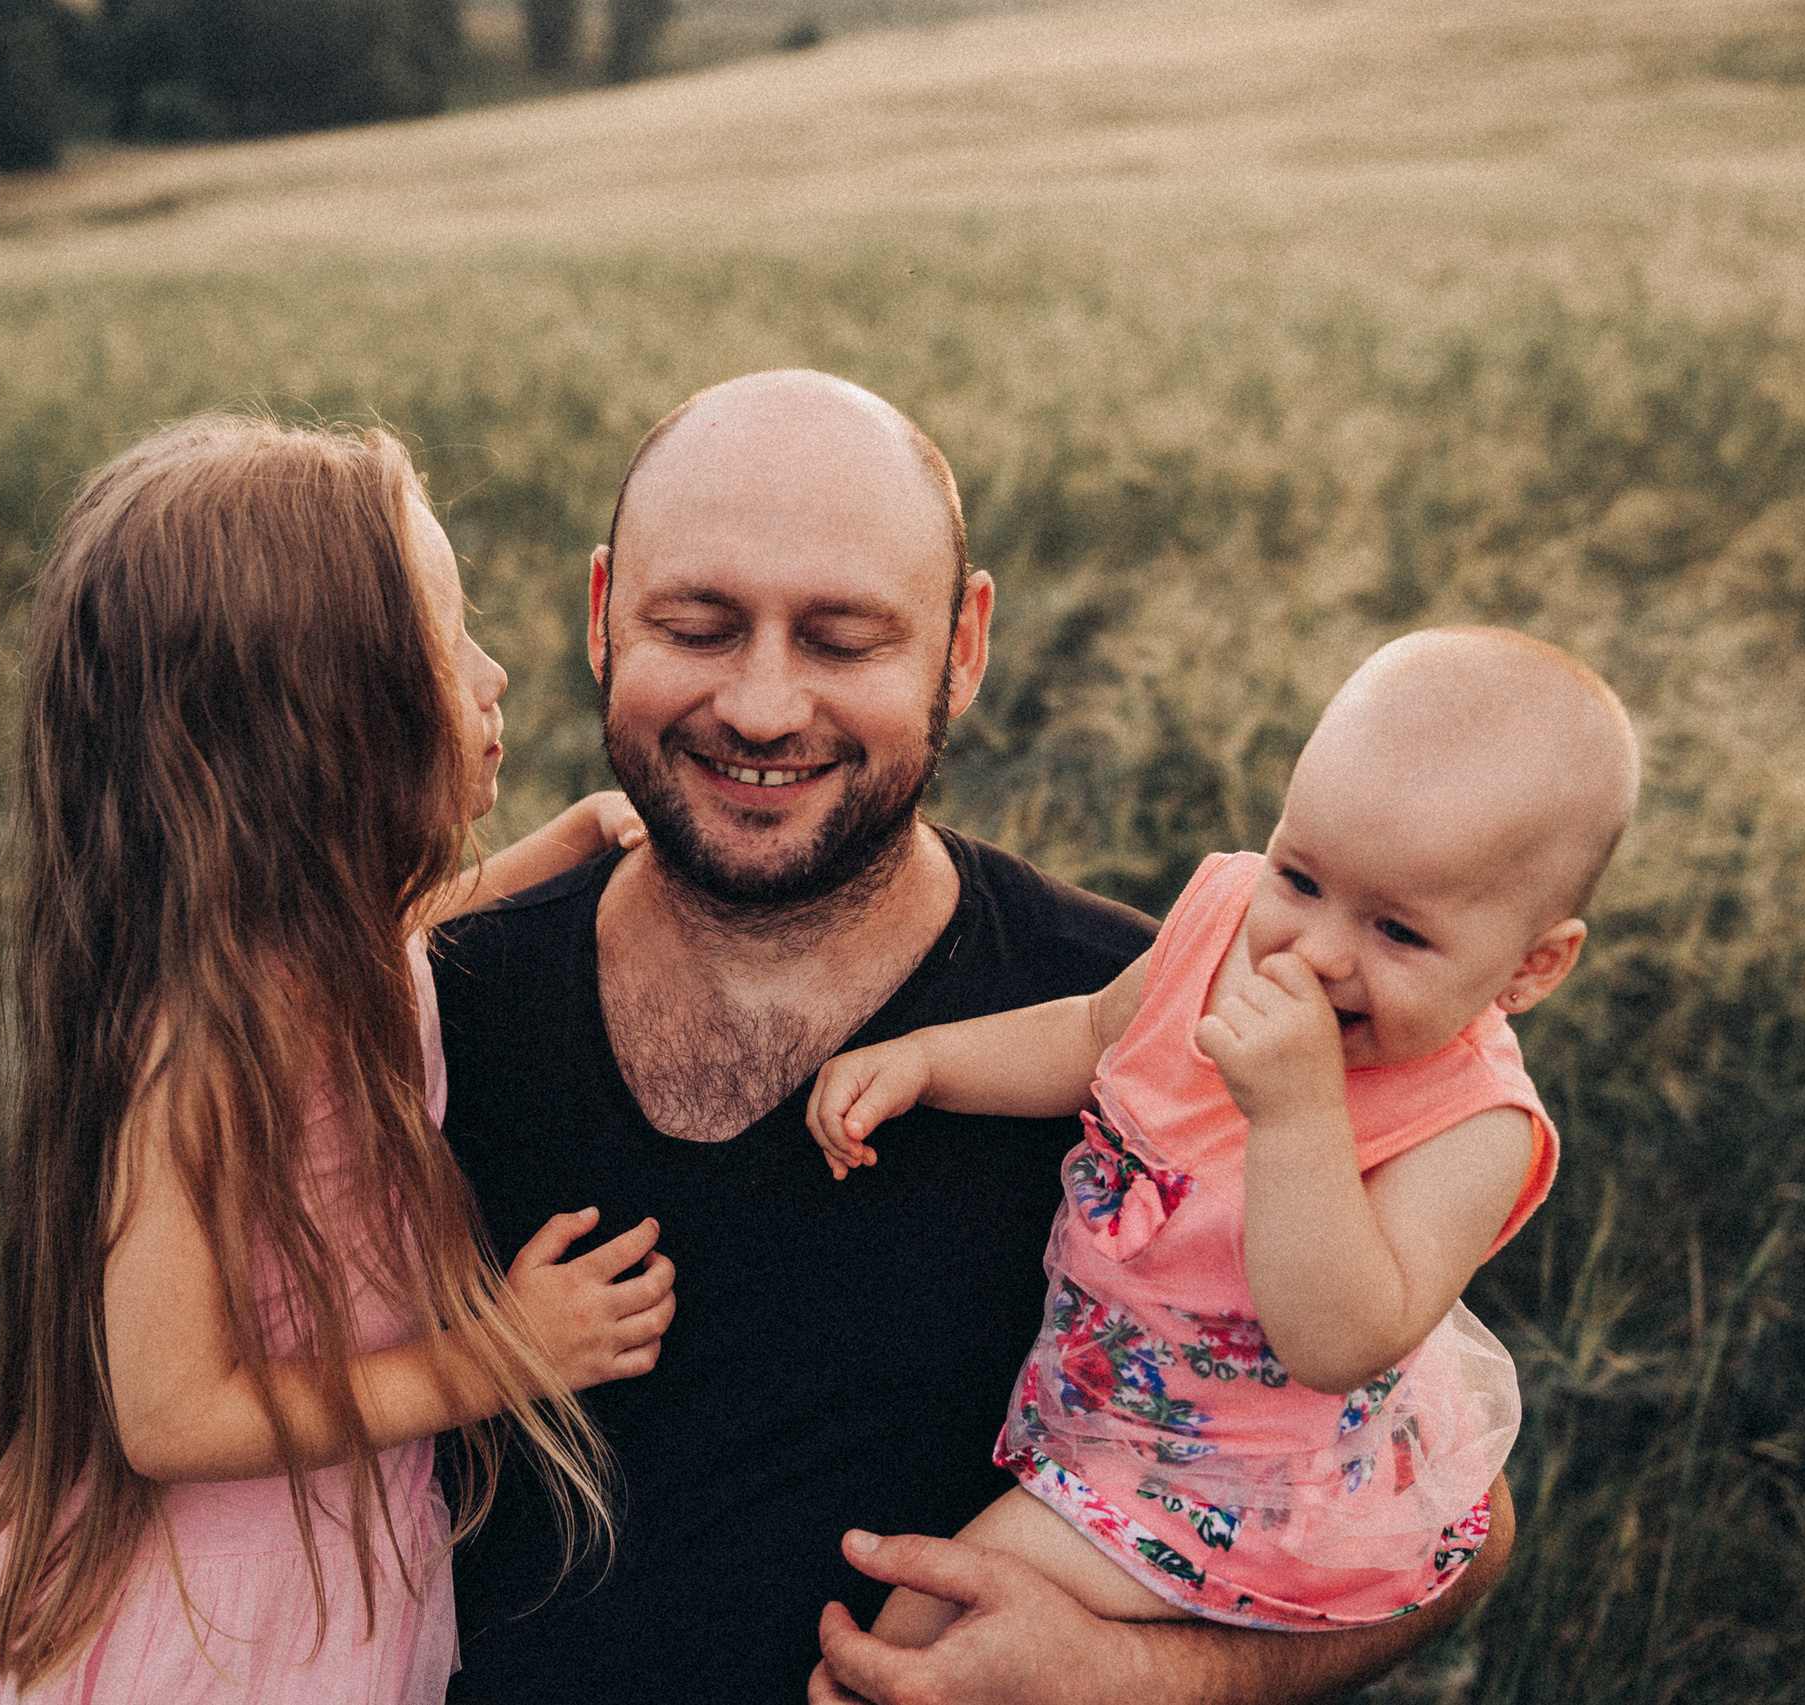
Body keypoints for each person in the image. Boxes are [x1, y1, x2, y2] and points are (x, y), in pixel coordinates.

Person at [435, 370, 1519, 1705]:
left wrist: (1133, 1676)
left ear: (963, 645)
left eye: (843, 642)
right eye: (701, 626)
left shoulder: (1184, 1030)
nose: (765, 706)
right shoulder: (426, 1005)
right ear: (605, 616)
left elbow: (1444, 1520)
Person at [0, 415, 676, 1702]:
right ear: (325, 719)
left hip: (330, 1566)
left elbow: (374, 954)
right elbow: (166, 1412)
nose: (494, 672)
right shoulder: (203, 1049)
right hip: (223, 1626)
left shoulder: (289, 946)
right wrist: (500, 1357)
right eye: (448, 642)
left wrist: (541, 861)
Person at [808, 627, 1635, 1644]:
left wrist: (1296, 1115)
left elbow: (1337, 1339)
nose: (1315, 949)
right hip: (1110, 1409)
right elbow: (1093, 1035)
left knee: (926, 1625)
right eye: (1300, 877)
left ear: (1531, 967)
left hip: (1254, 1493)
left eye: (1399, 932)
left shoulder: (1471, 1122)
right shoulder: (1221, 923)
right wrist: (931, 1061)